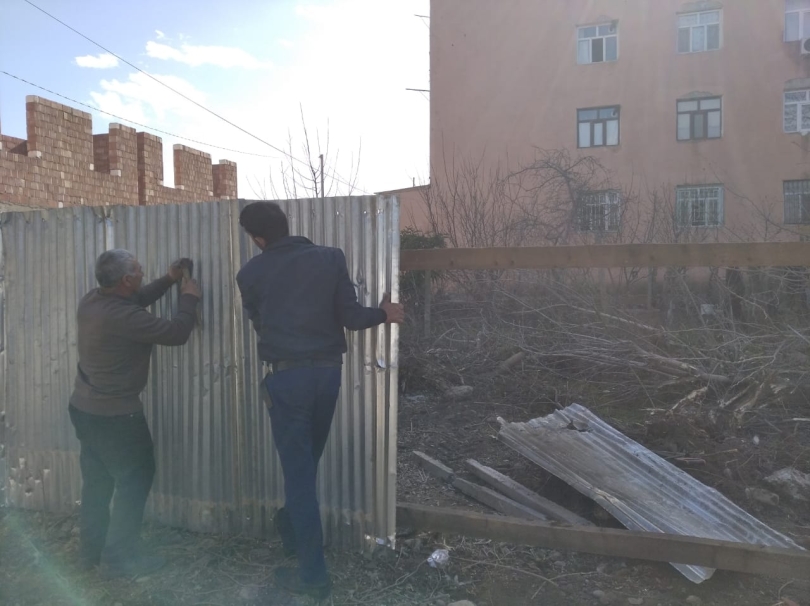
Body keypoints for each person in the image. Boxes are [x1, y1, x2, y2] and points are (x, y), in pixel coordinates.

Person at [236, 201, 405, 600]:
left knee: (299, 475)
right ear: (285, 224)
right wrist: (384, 313)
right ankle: (293, 527)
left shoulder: (249, 274)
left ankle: (312, 577)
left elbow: (260, 324)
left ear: (257, 239)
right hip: (327, 376)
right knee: (306, 463)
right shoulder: (330, 258)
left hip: (286, 379)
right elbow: (351, 317)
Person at [68, 249, 201, 578]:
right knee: (135, 479)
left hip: (84, 408)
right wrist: (189, 298)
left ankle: (90, 554)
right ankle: (119, 559)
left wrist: (169, 279)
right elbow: (176, 333)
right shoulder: (124, 317)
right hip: (116, 417)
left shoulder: (92, 300)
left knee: (97, 482)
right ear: (127, 279)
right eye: (139, 270)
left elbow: (136, 299)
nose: (143, 273)